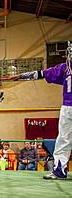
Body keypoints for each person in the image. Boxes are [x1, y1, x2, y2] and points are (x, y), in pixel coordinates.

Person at [19, 41, 71, 179]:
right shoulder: (66, 68)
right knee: (63, 139)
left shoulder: (66, 68)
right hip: (67, 107)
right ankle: (59, 170)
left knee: (64, 139)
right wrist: (23, 76)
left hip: (67, 107)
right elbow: (43, 73)